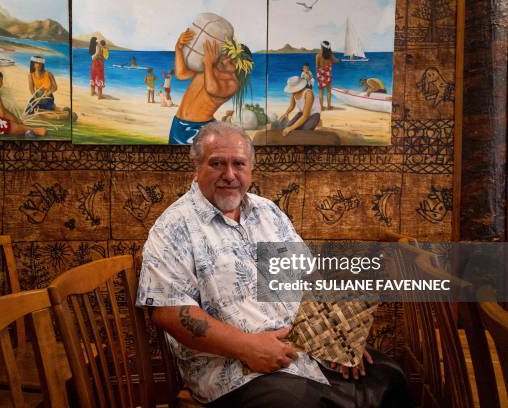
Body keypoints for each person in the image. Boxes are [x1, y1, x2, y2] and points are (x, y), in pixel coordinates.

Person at [136, 122, 414, 407]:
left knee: (389, 377)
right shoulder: (173, 227)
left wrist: (340, 339)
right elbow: (168, 312)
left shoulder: (268, 212)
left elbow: (308, 279)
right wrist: (248, 347)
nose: (229, 175)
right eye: (217, 163)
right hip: (237, 371)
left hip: (308, 349)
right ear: (196, 166)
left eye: (239, 164)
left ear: (251, 169)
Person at [169, 29, 253, 144]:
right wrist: (178, 49)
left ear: (240, 68)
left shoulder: (232, 83)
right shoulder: (209, 68)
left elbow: (212, 88)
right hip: (177, 123)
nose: (225, 60)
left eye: (233, 62)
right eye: (227, 55)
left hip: (199, 129)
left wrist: (208, 63)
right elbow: (181, 74)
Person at [315, 40, 338, 110]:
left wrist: (317, 75)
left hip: (321, 74)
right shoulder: (330, 56)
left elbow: (317, 66)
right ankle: (329, 106)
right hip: (328, 74)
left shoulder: (318, 55)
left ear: (322, 47)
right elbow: (336, 61)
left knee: (321, 92)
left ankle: (321, 107)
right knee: (328, 91)